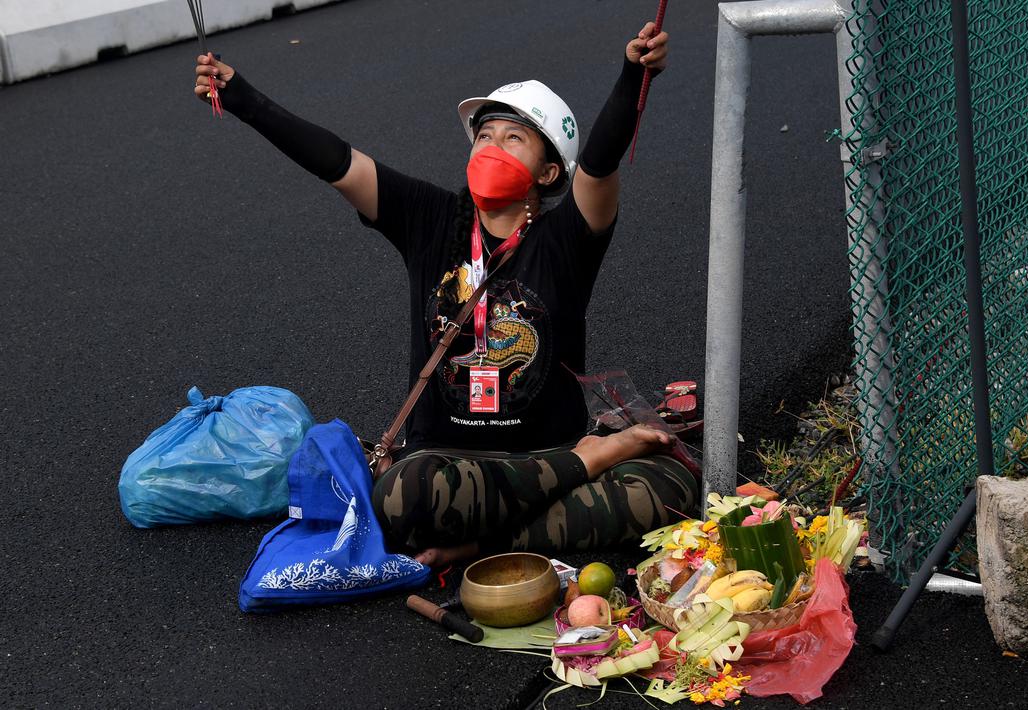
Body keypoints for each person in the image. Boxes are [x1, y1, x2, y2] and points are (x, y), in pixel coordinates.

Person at [193, 17, 698, 566]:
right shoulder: (429, 218)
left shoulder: (567, 237)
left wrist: (633, 75)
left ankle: (485, 541)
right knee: (403, 495)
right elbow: (335, 160)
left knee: (669, 487)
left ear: (550, 173)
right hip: (449, 463)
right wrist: (240, 96)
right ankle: (590, 464)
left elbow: (599, 163)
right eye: (484, 135)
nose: (491, 147)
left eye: (513, 138)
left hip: (547, 450)